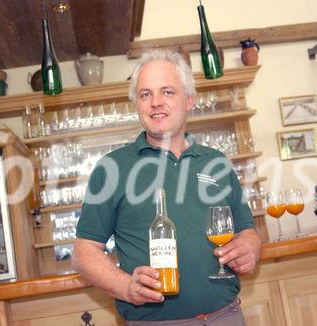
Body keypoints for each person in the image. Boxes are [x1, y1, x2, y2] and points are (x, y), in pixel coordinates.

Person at [72, 49, 261, 325]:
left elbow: (248, 231)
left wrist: (250, 248)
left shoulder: (216, 162)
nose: (155, 103)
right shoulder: (111, 168)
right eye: (145, 94)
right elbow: (83, 252)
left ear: (189, 100)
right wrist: (126, 286)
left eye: (168, 92)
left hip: (227, 316)